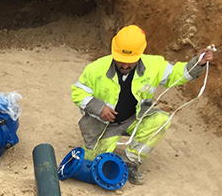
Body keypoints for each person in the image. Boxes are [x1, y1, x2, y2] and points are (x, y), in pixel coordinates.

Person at [71, 25, 215, 185]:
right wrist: (98, 108)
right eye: (121, 60)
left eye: (130, 62)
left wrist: (198, 63)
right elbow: (78, 92)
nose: (125, 66)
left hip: (134, 119)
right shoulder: (96, 68)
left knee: (160, 120)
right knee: (94, 165)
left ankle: (130, 162)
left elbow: (176, 74)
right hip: (103, 125)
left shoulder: (154, 65)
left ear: (140, 55)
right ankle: (102, 146)